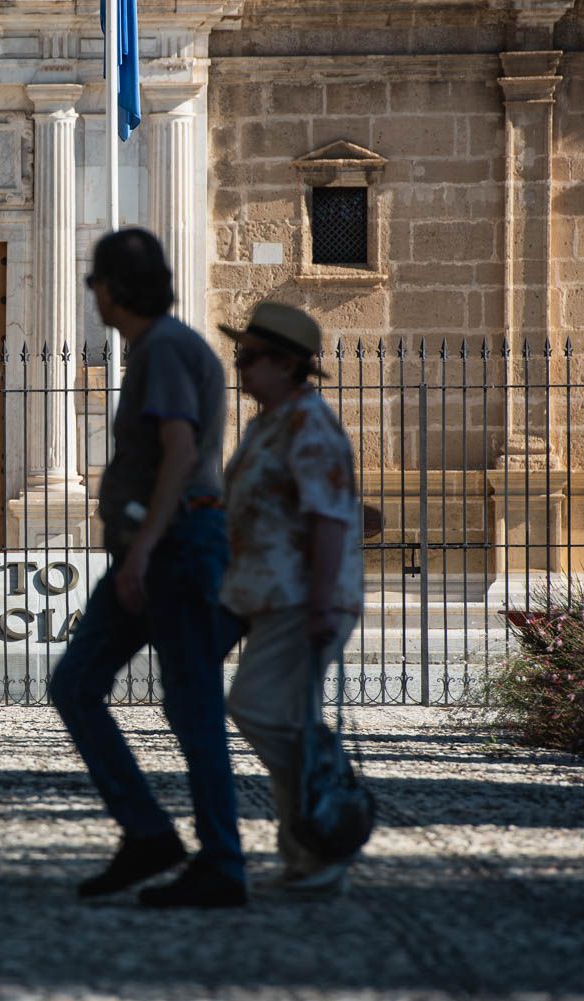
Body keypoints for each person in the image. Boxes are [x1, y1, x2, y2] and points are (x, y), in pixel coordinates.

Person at [49, 228, 246, 909]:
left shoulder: (163, 350)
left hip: (175, 549)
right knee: (77, 683)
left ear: (111, 288)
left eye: (94, 285)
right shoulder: (165, 347)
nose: (92, 298)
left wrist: (142, 549)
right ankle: (148, 832)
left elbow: (180, 453)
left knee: (191, 704)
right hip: (161, 548)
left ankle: (222, 860)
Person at [219, 301, 364, 898]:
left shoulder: (308, 423)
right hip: (269, 594)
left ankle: (332, 812)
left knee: (256, 709)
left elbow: (328, 519)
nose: (241, 367)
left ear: (284, 365)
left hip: (301, 598)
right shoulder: (267, 423)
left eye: (249, 357)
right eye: (239, 355)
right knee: (287, 722)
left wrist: (322, 604)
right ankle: (309, 851)